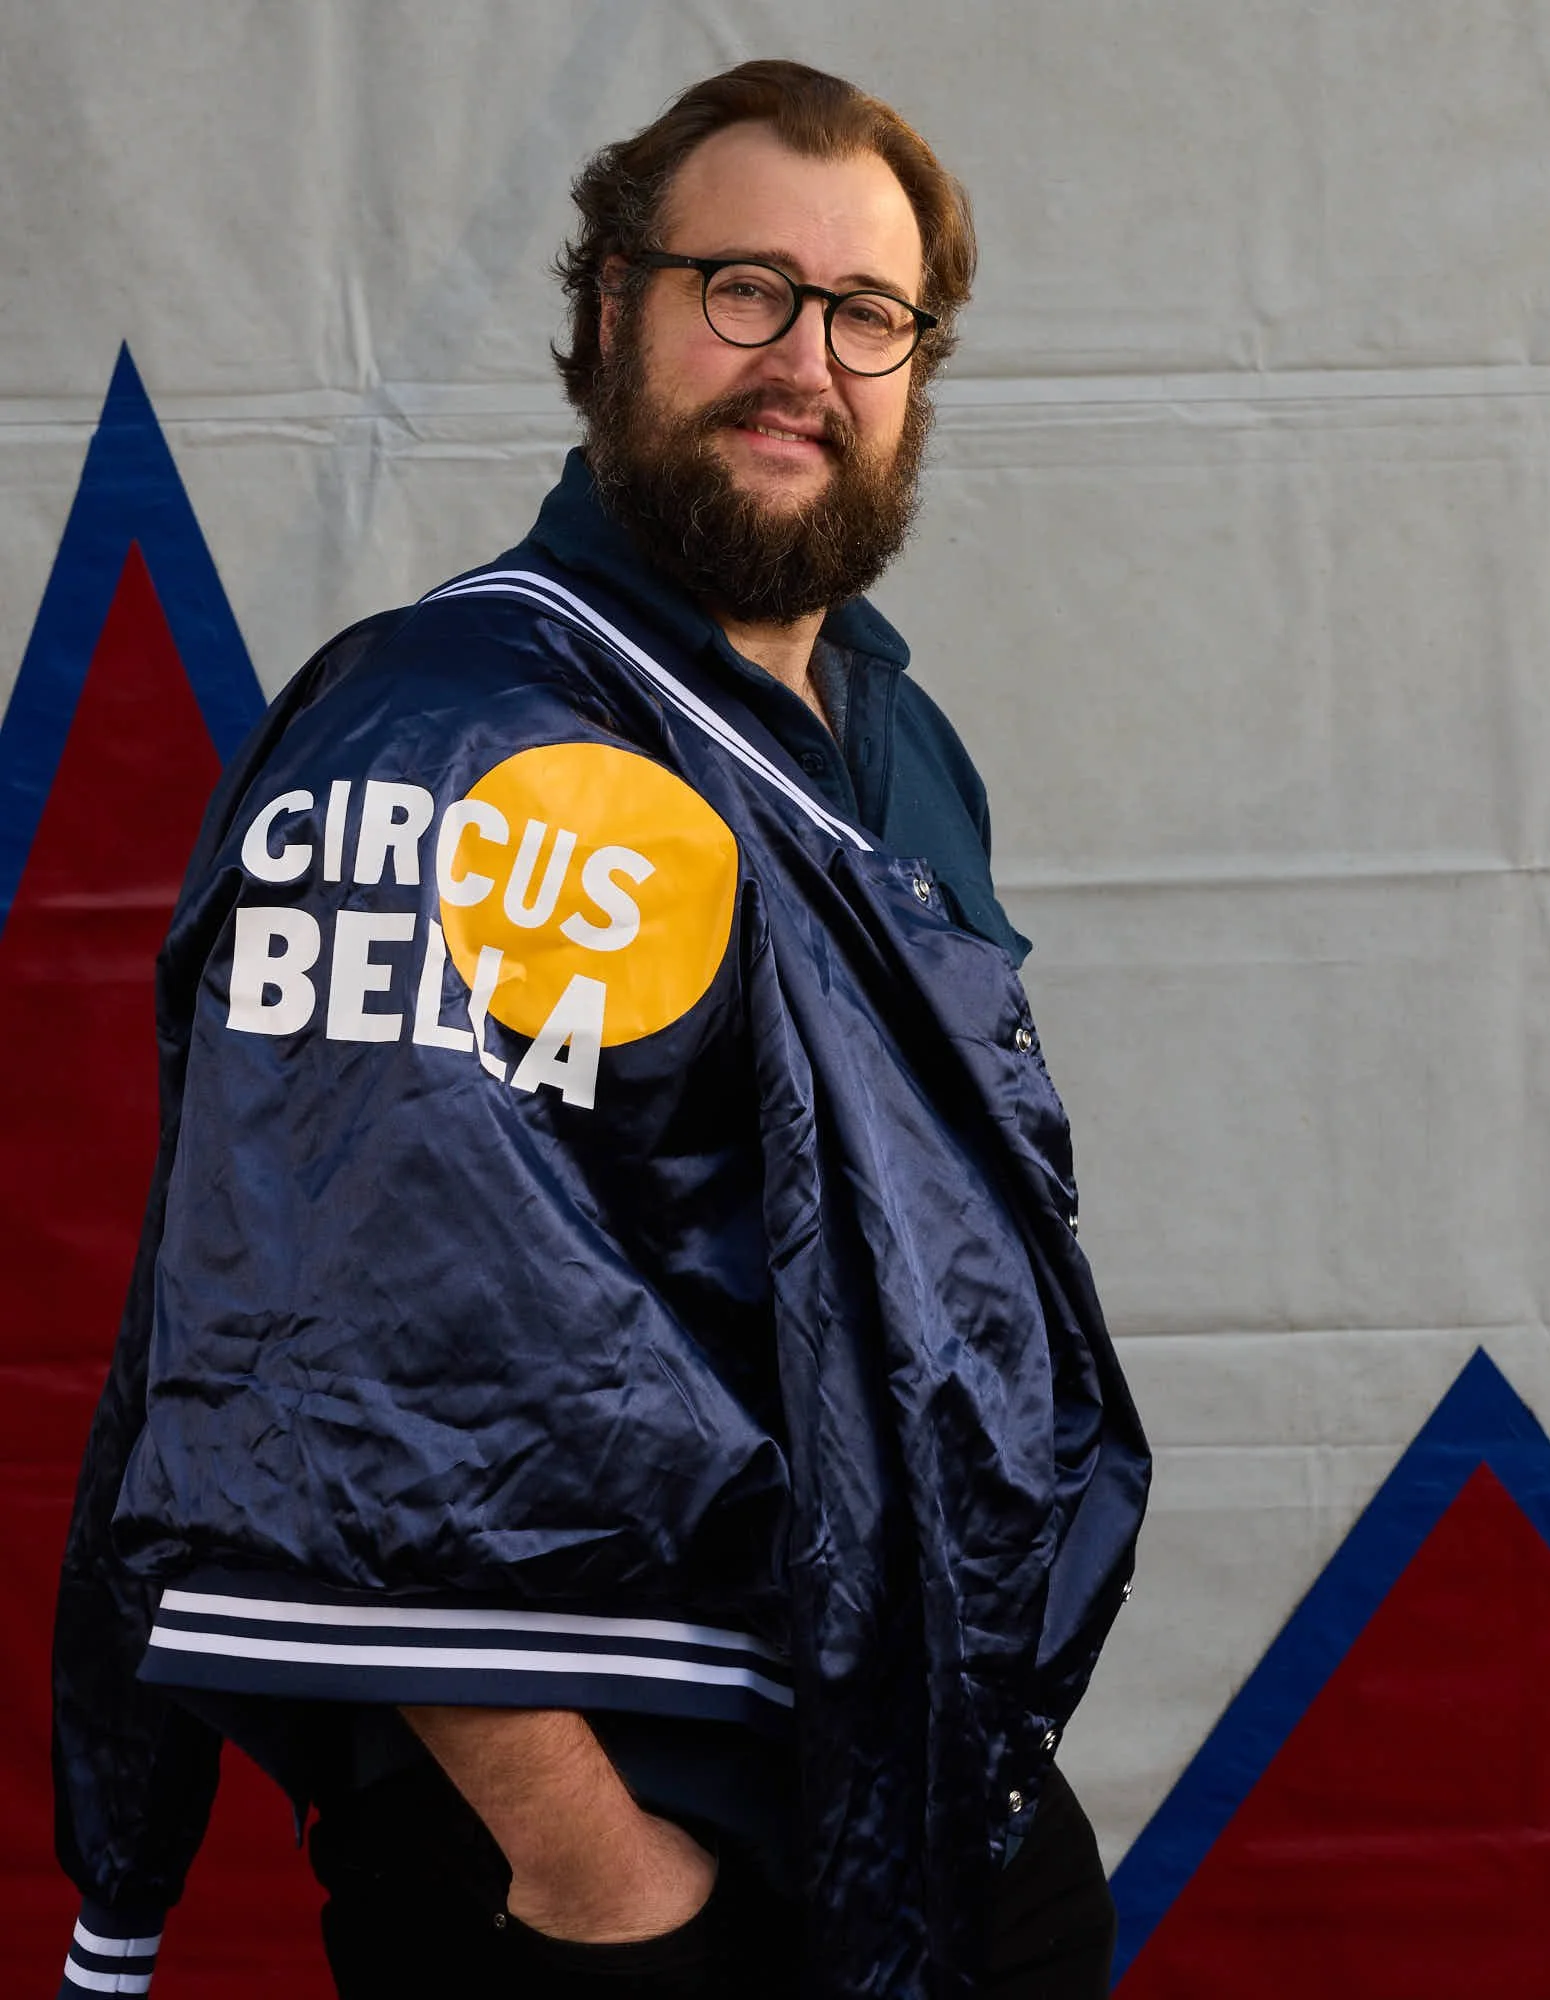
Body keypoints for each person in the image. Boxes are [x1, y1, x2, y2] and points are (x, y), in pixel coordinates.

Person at [52, 59, 1149, 2000]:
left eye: (864, 314)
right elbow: (333, 1362)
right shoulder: (471, 735)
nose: (801, 356)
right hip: (614, 1838)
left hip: (909, 1774)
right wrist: (598, 1877)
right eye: (741, 287)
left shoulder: (889, 747)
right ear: (607, 312)